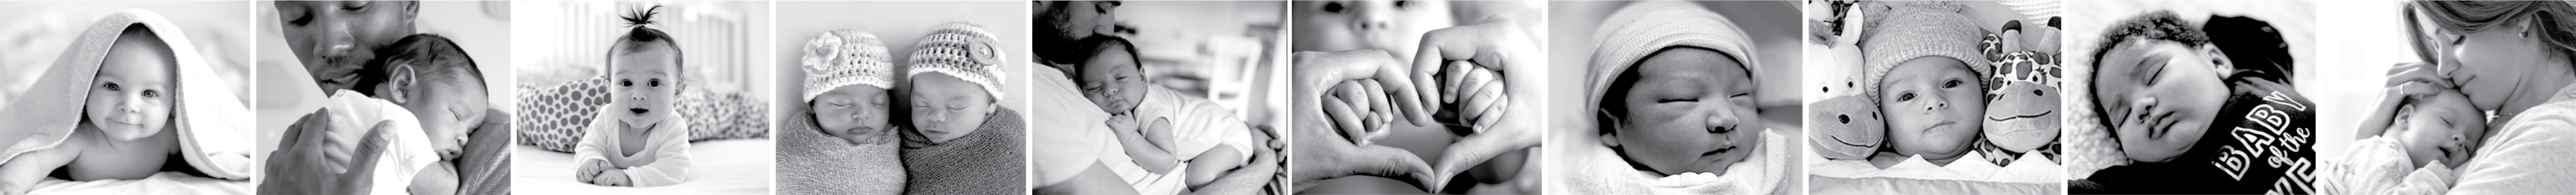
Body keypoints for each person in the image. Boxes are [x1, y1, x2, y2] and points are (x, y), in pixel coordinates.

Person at [0, 10, 256, 194]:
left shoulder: (169, 135)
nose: (129, 105)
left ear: (175, 101)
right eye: (112, 87)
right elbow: (33, 161)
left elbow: (209, 153)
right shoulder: (81, 139)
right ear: (86, 87)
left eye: (149, 94)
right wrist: (10, 186)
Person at [1552, 2, 1786, 194]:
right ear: (1610, 127)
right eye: (1684, 98)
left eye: (1740, 95)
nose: (1726, 118)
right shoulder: (1573, 177)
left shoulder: (1780, 166)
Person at [2075, 10, 2314, 194]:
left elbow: (2256, 33)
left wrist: (2182, 29)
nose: (2140, 107)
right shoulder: (2145, 182)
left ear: (2217, 60)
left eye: (2154, 74)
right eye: (2123, 116)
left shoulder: (2258, 74)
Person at [2376, 1, 2576, 194]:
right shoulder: (2475, 128)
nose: (2443, 68)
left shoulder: (2549, 139)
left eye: (2456, 40)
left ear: (2520, 20)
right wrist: (2372, 145)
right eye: (2436, 47)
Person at [1073, 35, 1256, 191]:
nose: (1110, 90)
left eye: (1120, 78)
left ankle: (1241, 173)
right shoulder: (1139, 99)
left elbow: (1165, 163)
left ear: (1142, 78)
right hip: (1227, 126)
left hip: (1231, 138)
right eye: (1095, 87)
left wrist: (1129, 137)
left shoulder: (1151, 111)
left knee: (1197, 177)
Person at [570, 6, 694, 187]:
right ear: (609, 87)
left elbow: (675, 168)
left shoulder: (672, 126)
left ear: (676, 92)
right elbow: (588, 146)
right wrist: (590, 160)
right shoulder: (608, 116)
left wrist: (629, 178)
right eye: (627, 83)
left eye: (653, 83)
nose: (638, 96)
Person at [898, 22, 1025, 195]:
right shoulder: (898, 141)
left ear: (991, 103)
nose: (935, 116)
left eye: (955, 107)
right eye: (922, 104)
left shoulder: (1008, 138)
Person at [777, 29, 906, 194]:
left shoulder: (899, 140)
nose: (862, 114)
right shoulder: (798, 141)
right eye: (842, 104)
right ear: (813, 105)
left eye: (877, 103)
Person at [363, 34, 491, 195]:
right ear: (403, 87)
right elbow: (441, 190)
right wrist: (447, 166)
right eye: (457, 116)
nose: (464, 139)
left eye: (470, 132)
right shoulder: (400, 126)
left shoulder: (353, 106)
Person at [2322, 87, 2484, 195]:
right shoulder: (2387, 155)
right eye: (2448, 121)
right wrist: (2429, 181)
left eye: (2468, 148)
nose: (2460, 140)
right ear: (2406, 117)